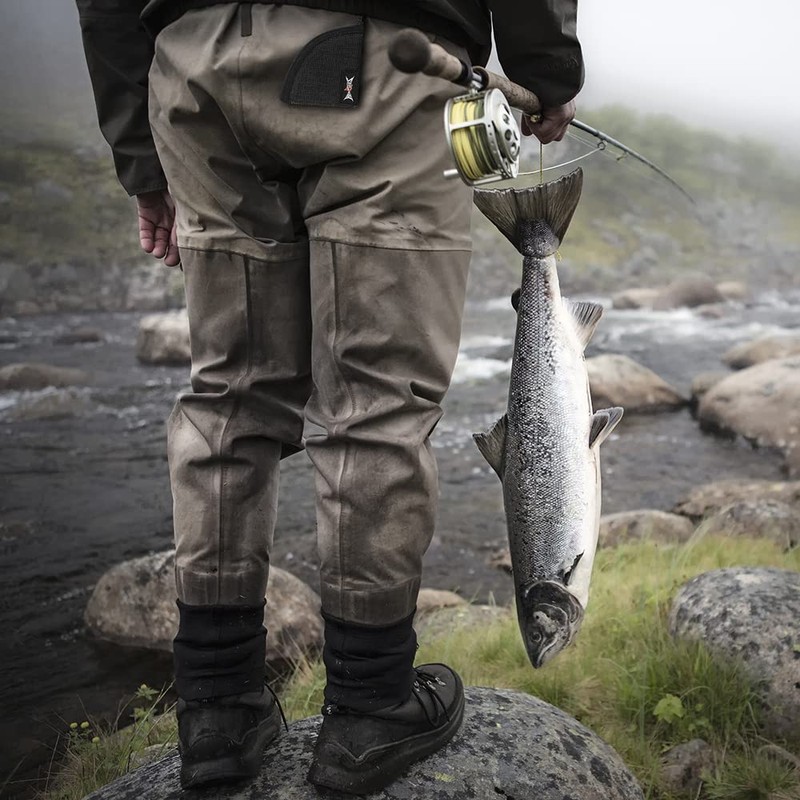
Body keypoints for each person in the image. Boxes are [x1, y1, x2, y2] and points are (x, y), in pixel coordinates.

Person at [76, 0, 582, 793]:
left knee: (228, 396)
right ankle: (372, 703)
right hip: (395, 58)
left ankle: (215, 709)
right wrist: (548, 72)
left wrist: (143, 163)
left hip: (193, 70)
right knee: (377, 404)